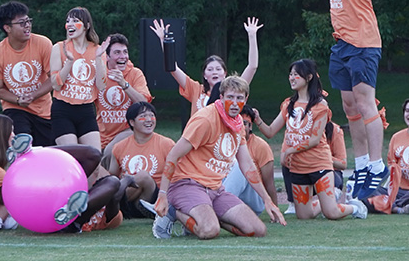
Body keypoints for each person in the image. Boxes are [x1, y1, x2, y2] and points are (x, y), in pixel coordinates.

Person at [283, 0, 387, 201]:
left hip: (363, 43)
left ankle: (378, 166)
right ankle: (363, 165)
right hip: (341, 45)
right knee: (350, 106)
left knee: (366, 103)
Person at [152, 76, 286, 240]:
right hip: (187, 184)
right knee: (209, 230)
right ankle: (173, 211)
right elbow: (173, 154)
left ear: (246, 99)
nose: (235, 103)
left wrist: (267, 200)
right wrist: (162, 194)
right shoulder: (205, 119)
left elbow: (247, 165)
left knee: (257, 230)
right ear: (221, 97)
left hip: (216, 189)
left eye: (239, 98)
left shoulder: (238, 124)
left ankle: (209, 216)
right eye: (230, 97)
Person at [257, 59, 367, 221]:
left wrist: (289, 150)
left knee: (332, 214)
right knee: (304, 215)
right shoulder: (289, 104)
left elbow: (314, 139)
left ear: (308, 77)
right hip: (298, 168)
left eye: (296, 75)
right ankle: (327, 202)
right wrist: (257, 119)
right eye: (291, 74)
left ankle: (355, 207)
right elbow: (271, 131)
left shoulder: (320, 105)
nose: (292, 78)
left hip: (319, 165)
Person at [149, 18, 262, 121]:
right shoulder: (196, 89)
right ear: (204, 74)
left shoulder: (233, 90)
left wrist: (252, 36)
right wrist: (164, 41)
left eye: (218, 69)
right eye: (210, 69)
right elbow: (173, 68)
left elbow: (252, 66)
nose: (214, 72)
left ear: (225, 73)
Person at [0, 1, 54, 148]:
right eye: (21, 23)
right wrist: (18, 100)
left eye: (28, 21)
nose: (27, 25)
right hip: (15, 108)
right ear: (7, 28)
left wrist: (33, 95)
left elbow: (54, 79)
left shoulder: (43, 43)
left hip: (43, 110)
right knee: (23, 144)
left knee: (47, 150)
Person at [49, 6, 107, 150]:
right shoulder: (59, 48)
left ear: (86, 26)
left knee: (94, 157)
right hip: (63, 109)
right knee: (73, 156)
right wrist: (69, 62)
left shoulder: (97, 50)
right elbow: (55, 85)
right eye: (68, 21)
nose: (70, 24)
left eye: (75, 21)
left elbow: (101, 85)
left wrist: (99, 59)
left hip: (86, 110)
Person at [108, 102, 176, 218]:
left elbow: (176, 174)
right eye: (143, 116)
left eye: (152, 116)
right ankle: (119, 207)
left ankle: (147, 209)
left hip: (154, 196)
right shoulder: (119, 147)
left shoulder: (167, 144)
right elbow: (112, 177)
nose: (149, 120)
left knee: (143, 177)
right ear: (132, 122)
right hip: (129, 197)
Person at [95, 33, 152, 156]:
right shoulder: (99, 74)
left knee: (110, 152)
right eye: (117, 53)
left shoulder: (135, 74)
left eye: (125, 52)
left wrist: (124, 84)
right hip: (101, 134)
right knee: (88, 157)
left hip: (128, 131)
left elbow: (144, 104)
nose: (123, 56)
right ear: (107, 57)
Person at [221, 105, 282, 218]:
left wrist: (275, 211)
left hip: (253, 198)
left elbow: (269, 184)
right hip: (230, 193)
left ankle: (220, 206)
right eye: (236, 121)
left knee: (243, 165)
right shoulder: (225, 141)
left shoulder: (261, 146)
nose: (240, 126)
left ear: (250, 126)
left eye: (244, 123)